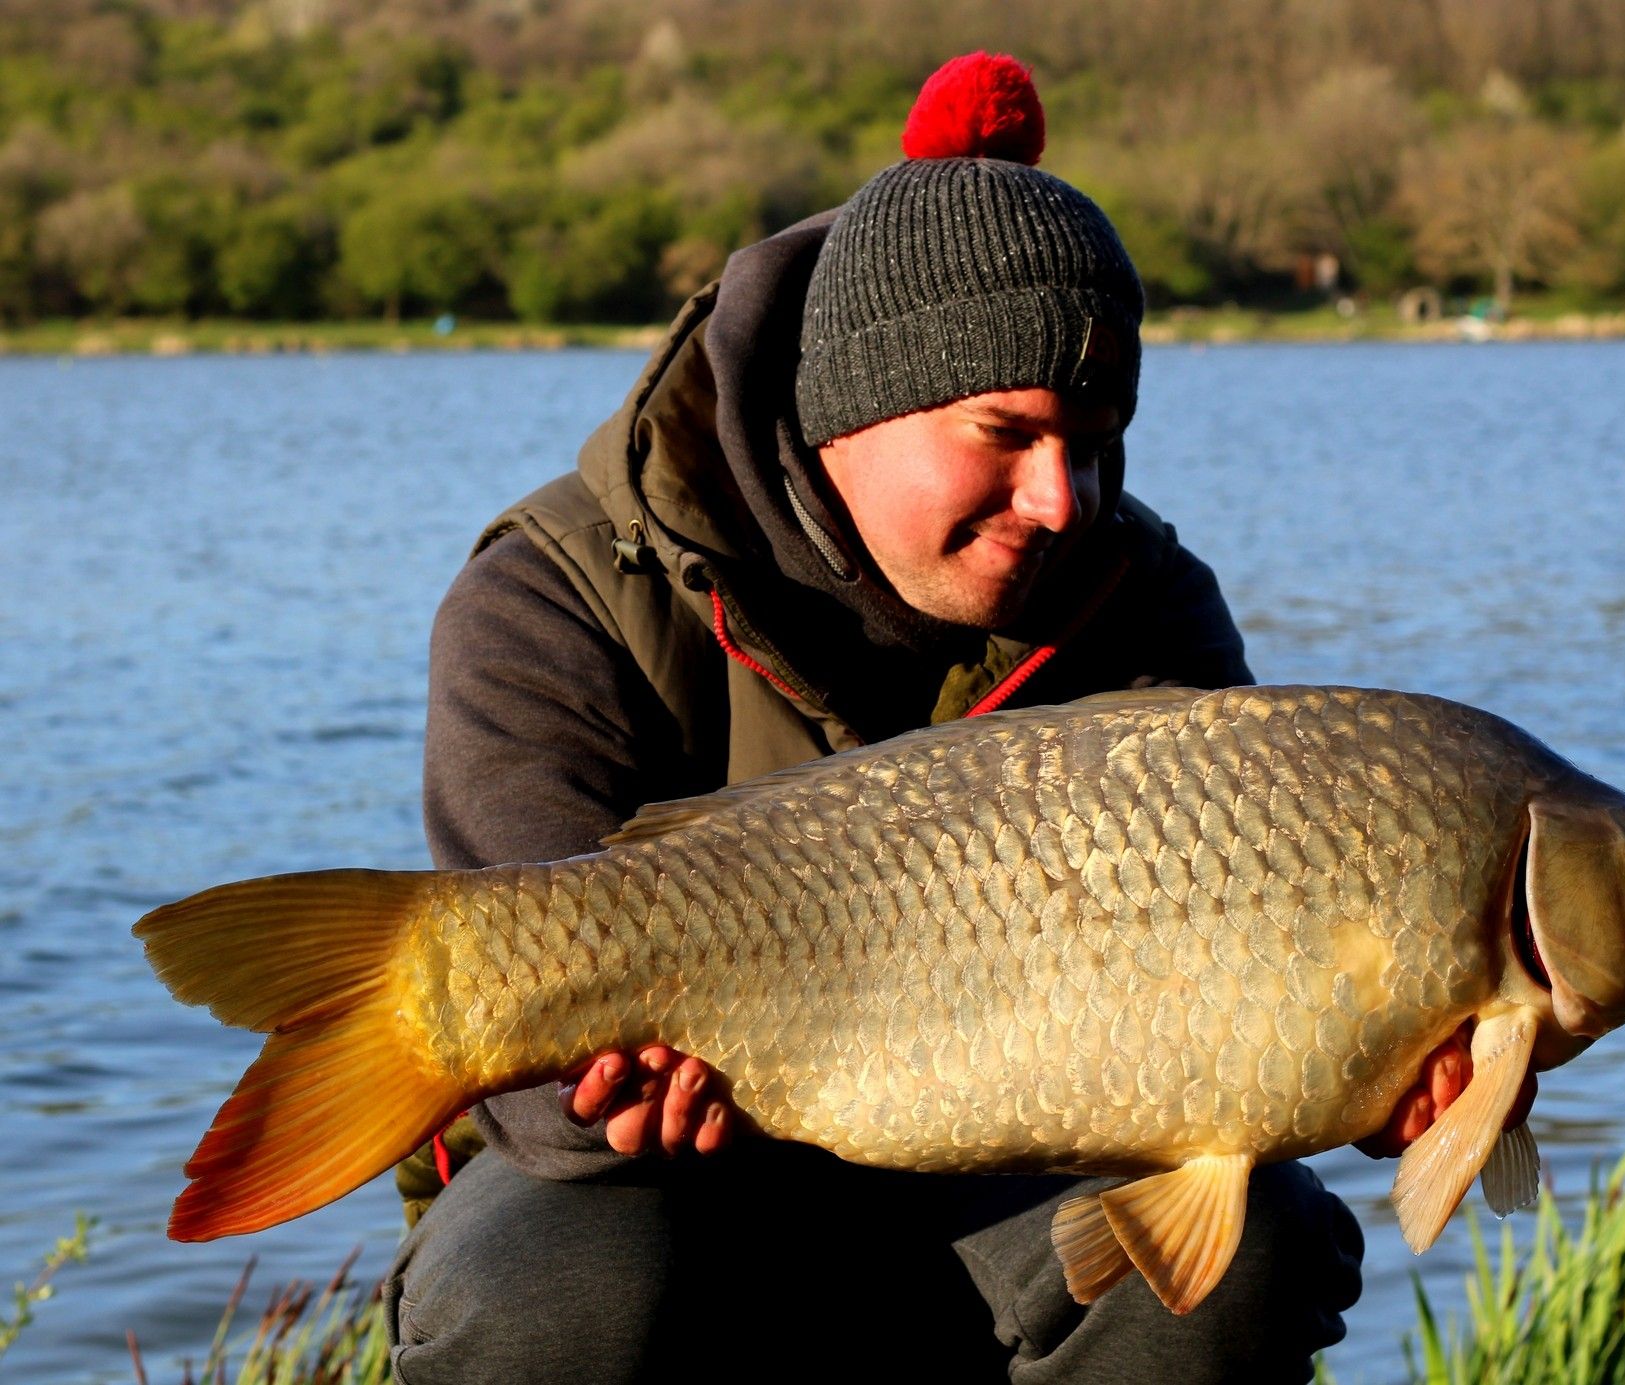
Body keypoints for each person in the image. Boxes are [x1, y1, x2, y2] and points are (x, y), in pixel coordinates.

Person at [382, 54, 1526, 1384]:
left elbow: (1218, 1036)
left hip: (1008, 1177)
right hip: (640, 1196)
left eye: (1095, 441)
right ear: (854, 410)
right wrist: (604, 1106)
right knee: (558, 1277)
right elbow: (513, 1067)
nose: (1062, 496)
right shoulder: (558, 592)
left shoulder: (1143, 604)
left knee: (1256, 1244)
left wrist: (1369, 1065)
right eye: (1008, 431)